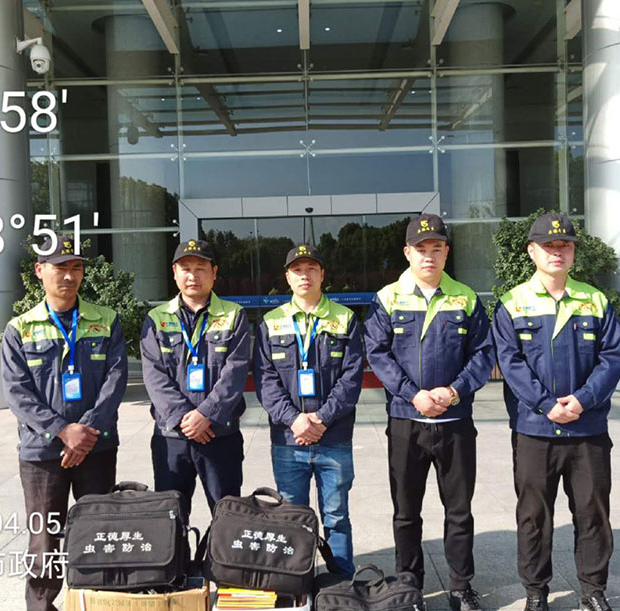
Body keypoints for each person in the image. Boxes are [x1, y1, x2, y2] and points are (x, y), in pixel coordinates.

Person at [491, 212, 620, 611]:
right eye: (548, 246)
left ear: (573, 253)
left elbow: (613, 357)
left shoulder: (594, 300)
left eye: (564, 245)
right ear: (532, 251)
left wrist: (583, 400)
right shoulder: (512, 303)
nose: (557, 252)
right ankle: (536, 592)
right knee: (534, 516)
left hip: (587, 429)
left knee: (592, 513)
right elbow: (510, 362)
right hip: (535, 429)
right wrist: (547, 404)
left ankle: (593, 591)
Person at [364, 214, 494, 611]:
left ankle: (460, 587)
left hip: (455, 423)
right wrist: (412, 395)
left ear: (446, 252)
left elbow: (483, 353)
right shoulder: (388, 298)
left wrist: (454, 392)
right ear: (407, 253)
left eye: (436, 248)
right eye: (421, 249)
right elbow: (378, 353)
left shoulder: (465, 298)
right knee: (406, 513)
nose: (429, 256)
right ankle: (410, 586)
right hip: (407, 422)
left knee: (459, 511)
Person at [1, 234, 127, 611]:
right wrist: (62, 430)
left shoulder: (106, 320)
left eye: (76, 267)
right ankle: (41, 606)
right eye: (60, 268)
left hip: (96, 447)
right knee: (44, 539)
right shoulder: (20, 328)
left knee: (99, 532)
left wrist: (84, 433)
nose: (69, 276)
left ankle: (99, 602)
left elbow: (115, 380)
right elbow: (17, 392)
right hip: (42, 453)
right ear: (40, 271)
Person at [254, 244, 364, 577]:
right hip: (289, 441)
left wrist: (321, 418)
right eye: (297, 270)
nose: (305, 276)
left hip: (334, 438)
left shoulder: (344, 319)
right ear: (288, 277)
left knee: (336, 516)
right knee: (291, 517)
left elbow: (352, 377)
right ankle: (296, 583)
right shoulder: (271, 322)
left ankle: (340, 583)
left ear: (322, 274)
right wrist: (295, 420)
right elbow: (265, 380)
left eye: (311, 269)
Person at [141, 239, 249, 512]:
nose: (193, 275)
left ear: (214, 272)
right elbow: (154, 375)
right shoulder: (156, 318)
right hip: (171, 437)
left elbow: (235, 372)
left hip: (219, 434)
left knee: (226, 515)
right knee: (170, 518)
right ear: (174, 273)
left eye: (200, 268)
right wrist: (183, 418)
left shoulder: (234, 315)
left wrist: (206, 416)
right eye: (186, 268)